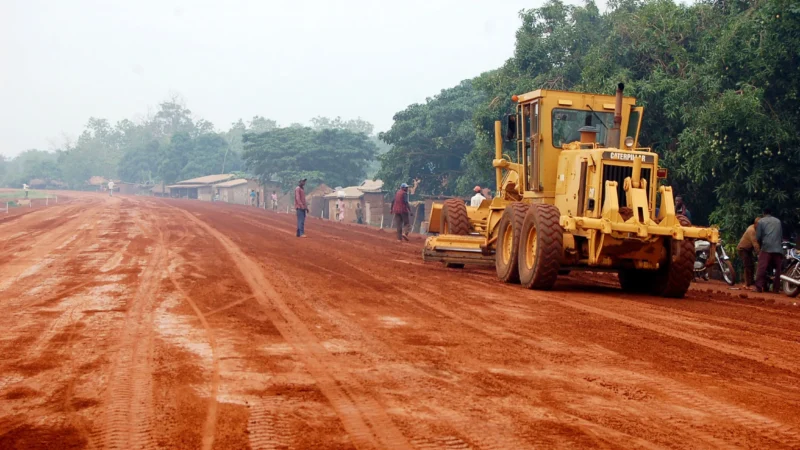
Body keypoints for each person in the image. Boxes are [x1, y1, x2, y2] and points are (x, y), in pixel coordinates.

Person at [754, 208, 783, 293]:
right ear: (771, 213)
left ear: (763, 213)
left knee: (761, 267)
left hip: (766, 247)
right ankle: (776, 289)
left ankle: (758, 287)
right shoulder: (778, 221)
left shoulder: (761, 221)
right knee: (778, 269)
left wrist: (761, 245)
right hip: (778, 248)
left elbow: (758, 237)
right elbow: (780, 236)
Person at [737, 217, 761, 288]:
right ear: (755, 224)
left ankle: (751, 282)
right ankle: (747, 283)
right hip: (743, 249)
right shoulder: (752, 230)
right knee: (747, 265)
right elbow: (755, 244)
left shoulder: (757, 230)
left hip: (749, 250)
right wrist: (759, 254)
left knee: (752, 265)